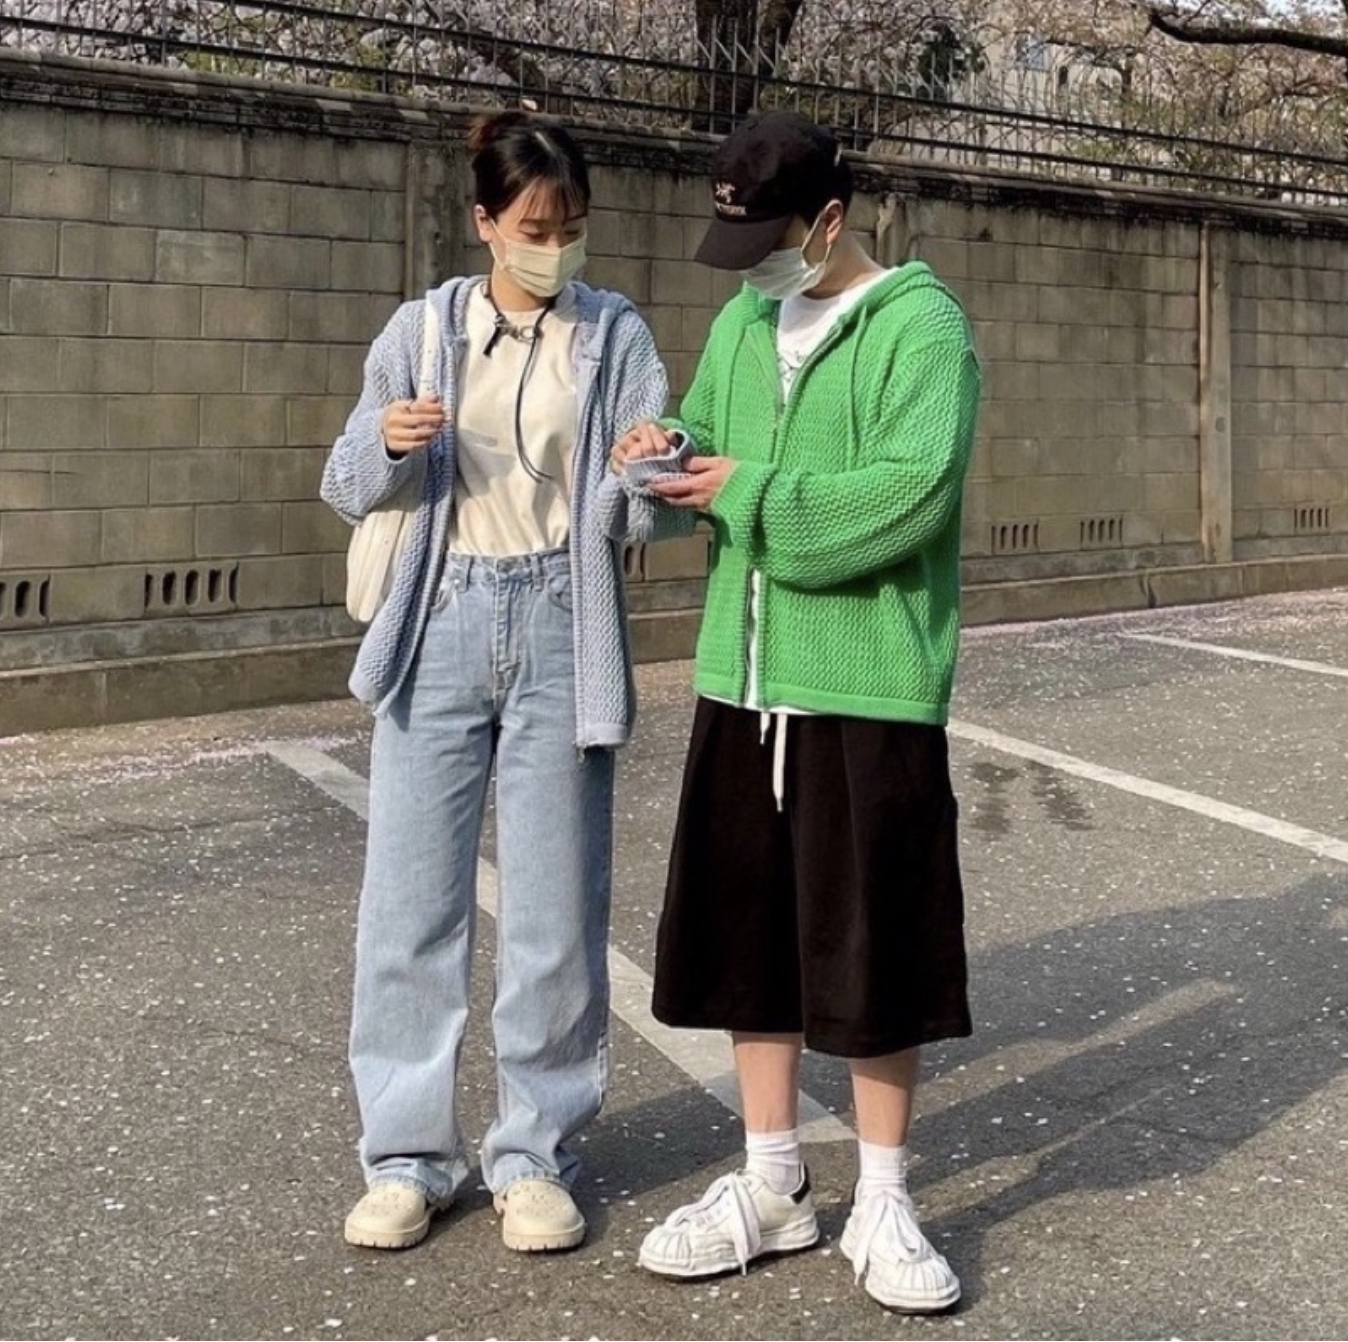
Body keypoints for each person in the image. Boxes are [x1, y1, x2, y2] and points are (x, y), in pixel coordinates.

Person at [601, 110, 982, 1312]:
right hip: (740, 675)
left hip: (865, 684)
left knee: (873, 945)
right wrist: (666, 446)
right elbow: (711, 438)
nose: (756, 266)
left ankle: (884, 1196)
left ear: (829, 220)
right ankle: (771, 1179)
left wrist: (745, 491)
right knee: (746, 936)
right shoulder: (742, 319)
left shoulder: (921, 327)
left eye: (772, 241)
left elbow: (910, 494)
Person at [321, 109, 667, 1255]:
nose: (554, 247)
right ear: (484, 222)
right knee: (408, 905)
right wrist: (390, 439)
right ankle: (407, 1157)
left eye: (570, 227)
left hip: (563, 618)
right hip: (441, 617)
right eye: (533, 227)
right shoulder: (423, 329)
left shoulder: (613, 333)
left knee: (555, 909)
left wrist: (644, 468)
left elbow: (640, 513)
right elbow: (344, 481)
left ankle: (535, 1153)